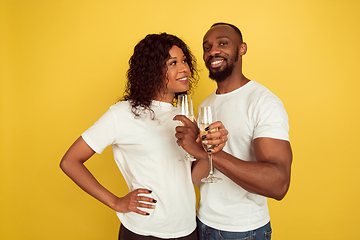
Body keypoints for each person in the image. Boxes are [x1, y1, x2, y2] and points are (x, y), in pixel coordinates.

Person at [60, 32, 228, 240]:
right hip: (143, 231)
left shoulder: (184, 116)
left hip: (187, 229)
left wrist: (209, 151)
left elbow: (193, 177)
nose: (184, 68)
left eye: (184, 61)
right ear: (152, 69)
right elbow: (70, 161)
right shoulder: (123, 113)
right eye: (173, 63)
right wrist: (116, 202)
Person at [174, 23, 293, 240]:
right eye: (207, 47)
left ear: (242, 48)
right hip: (203, 224)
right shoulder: (206, 105)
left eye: (223, 43)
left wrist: (211, 153)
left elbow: (279, 184)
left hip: (242, 231)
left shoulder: (263, 102)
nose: (213, 51)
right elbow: (199, 177)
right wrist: (198, 149)